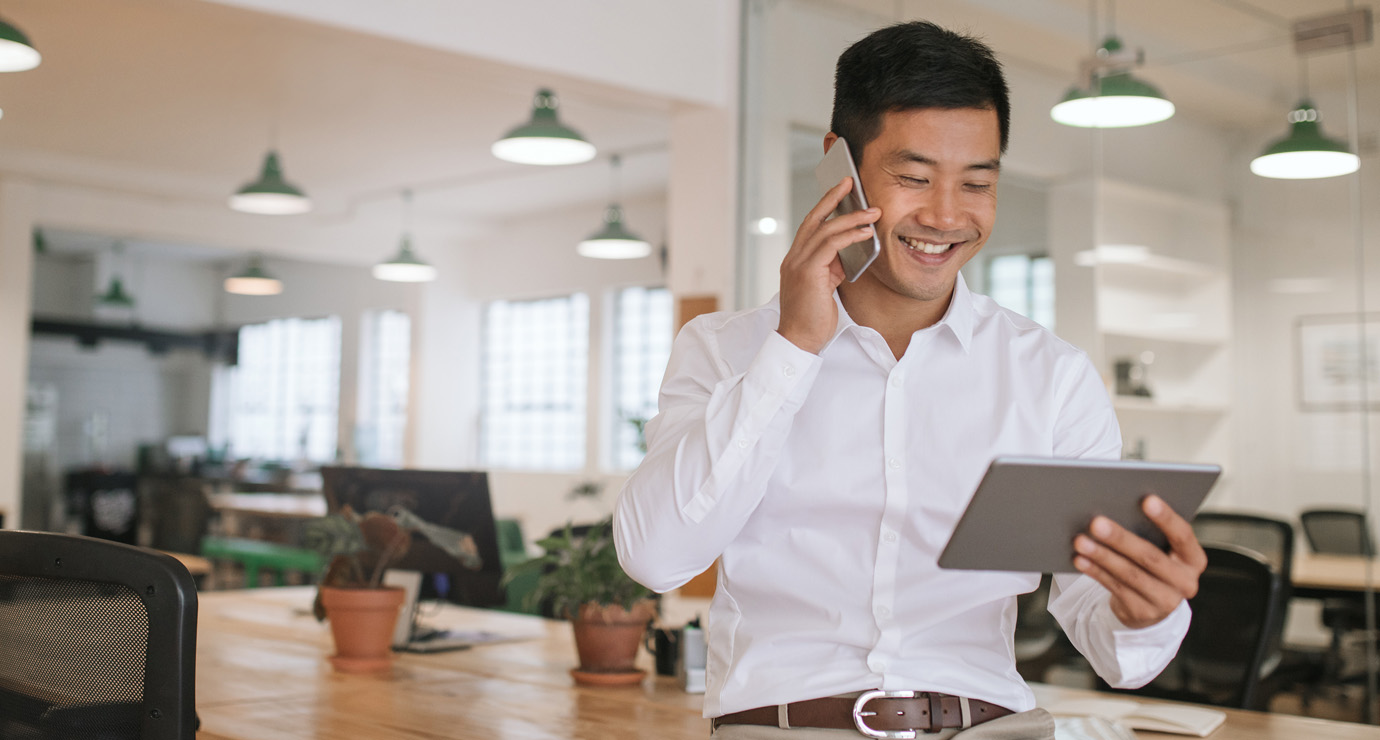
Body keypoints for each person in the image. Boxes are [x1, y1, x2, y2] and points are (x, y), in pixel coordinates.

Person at [614, 20, 1205, 740]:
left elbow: (1115, 651)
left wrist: (1145, 612)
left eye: (978, 183)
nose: (947, 216)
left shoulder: (1049, 375)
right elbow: (656, 558)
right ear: (842, 167)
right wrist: (795, 346)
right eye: (914, 178)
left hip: (993, 726)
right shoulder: (723, 349)